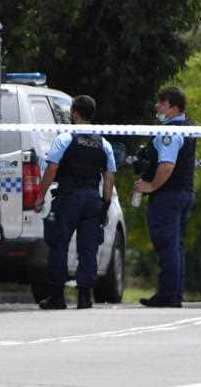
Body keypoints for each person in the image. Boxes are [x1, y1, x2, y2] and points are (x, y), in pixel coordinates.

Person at [34, 95, 116, 310]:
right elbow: (109, 176)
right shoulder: (103, 143)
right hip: (92, 199)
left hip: (69, 197)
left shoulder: (65, 138)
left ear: (75, 113)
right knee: (88, 248)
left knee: (59, 244)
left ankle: (57, 296)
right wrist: (105, 205)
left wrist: (40, 195)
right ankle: (84, 297)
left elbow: (52, 168)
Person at [133, 86, 196, 308]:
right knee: (176, 247)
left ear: (173, 106)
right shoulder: (188, 127)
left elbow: (167, 166)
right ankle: (174, 293)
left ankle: (168, 295)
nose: (158, 107)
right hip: (183, 193)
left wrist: (150, 186)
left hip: (168, 196)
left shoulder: (170, 132)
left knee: (167, 246)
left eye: (162, 103)